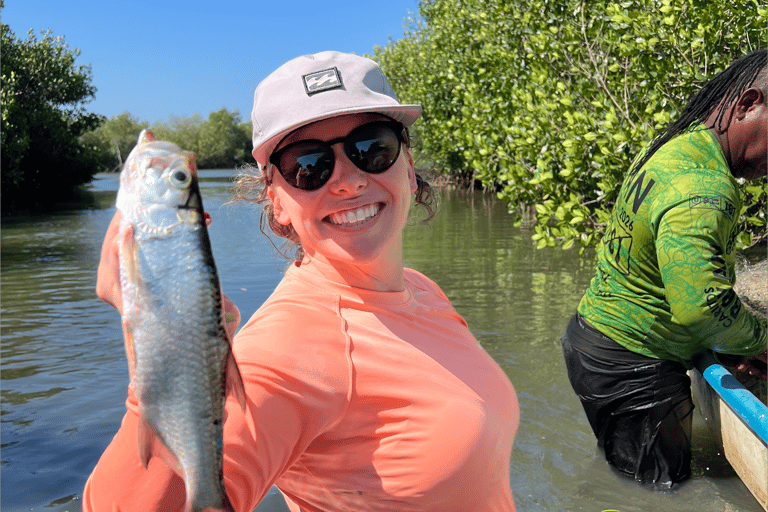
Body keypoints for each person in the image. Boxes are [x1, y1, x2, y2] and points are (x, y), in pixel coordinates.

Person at [84, 51, 519, 511]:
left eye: (373, 148)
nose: (348, 181)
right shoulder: (289, 349)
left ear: (408, 168)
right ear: (276, 201)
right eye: (307, 165)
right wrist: (167, 339)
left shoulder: (420, 288)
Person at [561, 49, 768, 489]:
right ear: (749, 104)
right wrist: (764, 340)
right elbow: (702, 309)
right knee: (660, 495)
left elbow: (672, 279)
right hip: (632, 367)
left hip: (597, 345)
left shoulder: (678, 149)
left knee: (631, 479)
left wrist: (733, 347)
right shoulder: (705, 186)